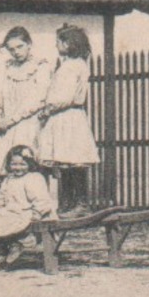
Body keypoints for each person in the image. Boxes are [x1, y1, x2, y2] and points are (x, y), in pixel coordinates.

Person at [36, 24, 101, 212]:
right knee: (66, 161)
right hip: (67, 117)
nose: (56, 46)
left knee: (73, 161)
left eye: (58, 42)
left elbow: (63, 97)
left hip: (67, 117)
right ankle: (68, 203)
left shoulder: (71, 66)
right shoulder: (77, 64)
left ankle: (79, 203)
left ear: (68, 44)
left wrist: (47, 110)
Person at [0, 145, 57, 267]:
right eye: (14, 164)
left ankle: (18, 244)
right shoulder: (8, 179)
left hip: (29, 210)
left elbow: (42, 199)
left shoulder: (34, 178)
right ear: (9, 164)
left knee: (17, 220)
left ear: (30, 164)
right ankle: (2, 248)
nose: (17, 168)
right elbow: (1, 197)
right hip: (11, 210)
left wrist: (38, 212)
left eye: (22, 164)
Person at [0, 26, 51, 172]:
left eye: (20, 46)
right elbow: (0, 97)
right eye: (11, 49)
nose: (16, 52)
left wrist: (12, 119)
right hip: (10, 128)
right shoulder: (8, 68)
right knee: (11, 169)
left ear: (29, 44)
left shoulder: (40, 67)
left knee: (30, 167)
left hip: (31, 125)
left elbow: (38, 99)